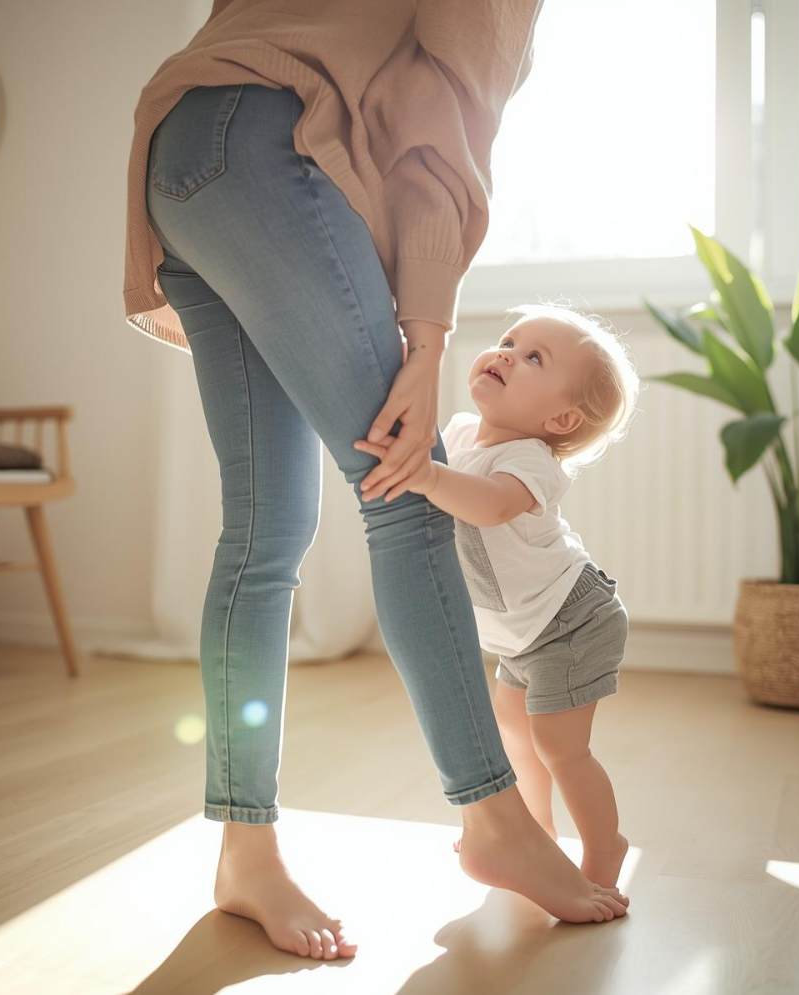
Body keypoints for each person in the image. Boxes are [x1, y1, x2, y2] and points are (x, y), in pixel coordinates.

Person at [123, 0, 629, 963]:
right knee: (403, 490)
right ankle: (496, 818)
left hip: (180, 153)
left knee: (263, 532)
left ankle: (246, 853)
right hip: (270, 142)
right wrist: (429, 333)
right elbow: (439, 125)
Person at [354, 303, 640, 890]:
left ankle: (605, 845)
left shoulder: (531, 461)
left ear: (561, 421)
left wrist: (427, 476)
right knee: (515, 732)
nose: (506, 353)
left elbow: (490, 505)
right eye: (509, 341)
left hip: (573, 621)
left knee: (560, 747)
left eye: (534, 357)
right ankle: (531, 832)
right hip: (524, 633)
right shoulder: (459, 431)